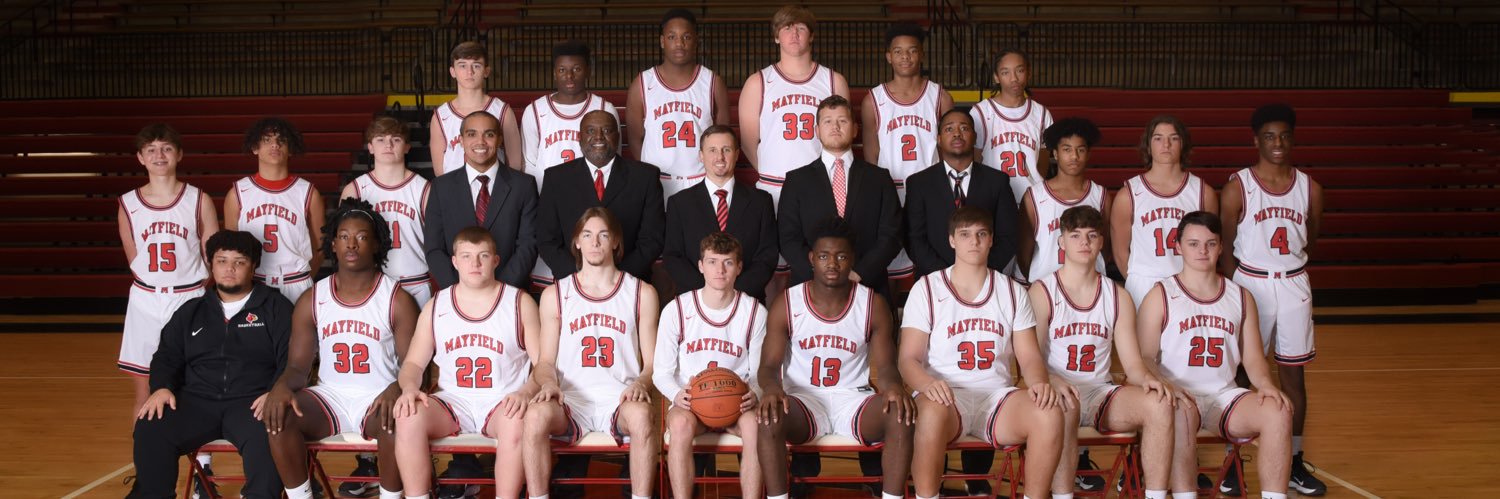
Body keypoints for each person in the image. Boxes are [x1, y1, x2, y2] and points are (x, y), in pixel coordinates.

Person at [258, 199, 420, 499]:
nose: (352, 245)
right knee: (279, 416)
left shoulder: (396, 299)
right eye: (344, 237)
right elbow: (297, 368)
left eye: (361, 237)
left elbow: (414, 365)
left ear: (376, 245)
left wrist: (399, 388)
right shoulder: (313, 298)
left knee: (395, 420)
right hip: (330, 395)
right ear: (333, 245)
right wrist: (281, 387)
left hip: (378, 395)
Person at [898, 206, 1064, 499]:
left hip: (997, 396)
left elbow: (1029, 357)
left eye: (981, 234)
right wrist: (927, 385)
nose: (973, 241)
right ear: (951, 240)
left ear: (991, 240)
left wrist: (1039, 382)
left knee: (1049, 413)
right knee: (932, 413)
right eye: (965, 235)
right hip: (946, 396)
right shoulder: (927, 288)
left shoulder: (1012, 291)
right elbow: (908, 360)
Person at [1137, 211, 1294, 499]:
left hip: (1224, 395)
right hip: (1180, 395)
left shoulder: (1240, 296)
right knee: (1181, 413)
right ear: (1178, 246)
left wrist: (1266, 385)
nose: (1202, 251)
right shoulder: (1160, 294)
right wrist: (1167, 386)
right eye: (1194, 243)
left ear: (1221, 247)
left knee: (1278, 412)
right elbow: (1145, 357)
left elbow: (1254, 358)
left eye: (1210, 243)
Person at [129, 230, 292, 499]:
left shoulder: (276, 308)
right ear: (211, 265)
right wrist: (161, 387)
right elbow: (167, 355)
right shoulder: (191, 311)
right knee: (151, 425)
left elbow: (292, 359)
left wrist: (276, 391)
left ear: (254, 266)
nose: (229, 269)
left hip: (252, 402)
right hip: (196, 401)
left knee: (272, 432)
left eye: (239, 262)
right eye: (222, 261)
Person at [756, 220, 913, 499]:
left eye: (841, 256)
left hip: (853, 399)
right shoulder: (787, 303)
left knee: (900, 413)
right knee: (770, 416)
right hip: (804, 400)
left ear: (852, 259)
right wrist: (770, 389)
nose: (832, 264)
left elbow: (887, 366)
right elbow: (768, 366)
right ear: (812, 259)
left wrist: (892, 388)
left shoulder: (872, 304)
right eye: (824, 256)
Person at [1029, 206, 1175, 498]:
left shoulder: (1117, 295)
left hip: (1100, 394)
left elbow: (1133, 364)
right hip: (1058, 392)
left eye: (1091, 236)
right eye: (1076, 235)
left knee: (1159, 404)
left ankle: (1155, 495)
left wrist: (1148, 380)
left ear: (1100, 242)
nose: (1084, 242)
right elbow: (1031, 360)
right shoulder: (1042, 292)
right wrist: (1052, 381)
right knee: (1065, 403)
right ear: (1061, 242)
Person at [1218, 104, 1326, 496]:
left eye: (1284, 135)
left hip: (1294, 283)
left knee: (1293, 375)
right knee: (1245, 375)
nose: (1277, 143)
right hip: (1252, 283)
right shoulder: (1238, 186)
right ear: (1256, 140)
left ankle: (1295, 460)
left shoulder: (1310, 187)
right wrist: (1236, 292)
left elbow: (1310, 238)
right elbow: (1225, 245)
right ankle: (1234, 462)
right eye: (1269, 136)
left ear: (1293, 138)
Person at [521, 208, 662, 499]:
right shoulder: (555, 295)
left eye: (603, 235)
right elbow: (545, 362)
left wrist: (641, 383)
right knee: (534, 416)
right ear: (576, 243)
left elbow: (652, 364)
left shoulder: (641, 293)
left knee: (643, 417)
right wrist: (549, 384)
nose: (594, 242)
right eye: (587, 235)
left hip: (619, 397)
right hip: (571, 399)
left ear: (615, 242)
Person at [393, 227, 541, 499]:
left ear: (496, 260)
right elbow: (413, 363)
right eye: (467, 256)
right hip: (453, 401)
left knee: (517, 418)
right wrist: (410, 388)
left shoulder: (519, 302)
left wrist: (525, 392)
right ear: (454, 261)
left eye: (483, 256)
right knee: (407, 415)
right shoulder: (437, 305)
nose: (475, 263)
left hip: (502, 400)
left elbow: (543, 365)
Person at [653, 232, 766, 499]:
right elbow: (661, 373)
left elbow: (763, 372)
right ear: (700, 265)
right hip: (692, 404)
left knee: (756, 427)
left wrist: (756, 394)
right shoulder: (677, 310)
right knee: (679, 425)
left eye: (728, 262)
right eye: (713, 261)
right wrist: (677, 395)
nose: (720, 269)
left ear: (739, 267)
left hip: (738, 403)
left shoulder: (754, 312)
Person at [116, 124, 218, 411]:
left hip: (189, 296)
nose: (159, 155)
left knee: (196, 382)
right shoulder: (128, 203)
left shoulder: (199, 199)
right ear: (140, 157)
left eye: (167, 148)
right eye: (151, 150)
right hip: (146, 299)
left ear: (179, 154)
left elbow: (212, 257)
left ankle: (204, 458)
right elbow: (134, 257)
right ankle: (145, 455)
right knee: (145, 388)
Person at [777, 95, 901, 296]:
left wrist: (859, 273)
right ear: (817, 131)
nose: (835, 127)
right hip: (810, 289)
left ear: (854, 129)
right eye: (828, 121)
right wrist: (819, 274)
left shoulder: (879, 178)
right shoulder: (796, 180)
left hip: (867, 286)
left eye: (842, 121)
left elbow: (892, 234)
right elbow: (788, 238)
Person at [738, 4, 850, 206]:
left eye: (801, 28)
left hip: (821, 186)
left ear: (812, 36)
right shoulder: (758, 82)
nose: (794, 34)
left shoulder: (834, 81)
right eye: (787, 28)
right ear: (776, 37)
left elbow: (842, 136)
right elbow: (748, 143)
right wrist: (771, 170)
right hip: (773, 186)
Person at [536, 111, 665, 283]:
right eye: (590, 131)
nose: (598, 137)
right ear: (580, 138)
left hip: (630, 282)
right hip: (572, 283)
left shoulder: (645, 177)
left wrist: (617, 278)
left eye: (606, 130)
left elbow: (652, 240)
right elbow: (546, 240)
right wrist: (580, 277)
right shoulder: (556, 178)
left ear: (617, 137)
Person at [423, 111, 539, 291]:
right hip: (457, 295)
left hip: (509, 293)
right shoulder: (441, 187)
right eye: (471, 134)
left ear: (500, 140)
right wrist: (459, 291)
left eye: (489, 134)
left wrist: (500, 291)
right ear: (461, 140)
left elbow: (528, 245)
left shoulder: (523, 185)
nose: (481, 141)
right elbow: (434, 248)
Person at [1110, 115, 1218, 306]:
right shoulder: (1129, 194)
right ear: (1148, 145)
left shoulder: (1203, 192)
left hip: (1189, 282)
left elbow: (1212, 244)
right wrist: (1139, 279)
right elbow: (1119, 251)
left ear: (1183, 144)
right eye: (1158, 138)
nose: (1166, 144)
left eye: (1174, 138)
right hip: (1143, 283)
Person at [626, 8, 733, 199]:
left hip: (700, 178)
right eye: (672, 37)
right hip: (658, 180)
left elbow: (722, 137)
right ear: (662, 41)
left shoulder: (712, 82)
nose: (679, 43)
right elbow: (635, 138)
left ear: (696, 41)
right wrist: (647, 172)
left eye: (686, 37)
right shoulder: (643, 83)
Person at [662, 125, 778, 301]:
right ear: (701, 156)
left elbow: (767, 257)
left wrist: (734, 295)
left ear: (737, 154)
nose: (720, 157)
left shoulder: (761, 201)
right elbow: (673, 257)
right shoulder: (679, 203)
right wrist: (708, 295)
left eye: (726, 150)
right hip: (694, 302)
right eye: (712, 150)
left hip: (746, 301)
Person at [904, 108, 1019, 278]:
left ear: (975, 137)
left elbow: (1009, 236)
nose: (957, 134)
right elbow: (913, 238)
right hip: (934, 281)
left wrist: (979, 273)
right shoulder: (919, 183)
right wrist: (945, 277)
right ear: (939, 139)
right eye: (949, 129)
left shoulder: (997, 181)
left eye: (964, 128)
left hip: (984, 279)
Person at [223, 117, 326, 303]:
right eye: (267, 140)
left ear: (290, 149)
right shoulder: (238, 193)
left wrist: (302, 276)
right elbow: (232, 249)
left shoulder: (308, 192)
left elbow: (320, 247)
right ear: (255, 148)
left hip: (297, 282)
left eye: (281, 140)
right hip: (255, 283)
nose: (275, 145)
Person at [344, 116, 434, 305]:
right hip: (371, 282)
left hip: (415, 282)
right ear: (370, 147)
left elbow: (437, 241)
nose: (388, 145)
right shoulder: (355, 190)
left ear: (407, 146)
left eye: (396, 139)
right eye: (380, 139)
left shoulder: (423, 189)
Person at [1019, 117, 1108, 283]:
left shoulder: (1100, 195)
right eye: (1067, 149)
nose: (1074, 156)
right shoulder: (1035, 196)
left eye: (1080, 150)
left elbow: (1106, 248)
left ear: (1088, 154)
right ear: (1055, 153)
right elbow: (1024, 253)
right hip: (1046, 287)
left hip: (1089, 287)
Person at [522, 40, 619, 186]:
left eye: (577, 69)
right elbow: (530, 164)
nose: (569, 76)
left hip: (592, 195)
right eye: (562, 70)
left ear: (588, 71)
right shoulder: (535, 111)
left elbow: (613, 158)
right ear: (554, 73)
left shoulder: (604, 108)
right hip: (549, 194)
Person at [971, 49, 1053, 204]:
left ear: (1028, 73)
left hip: (1032, 199)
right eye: (1005, 72)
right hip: (994, 198)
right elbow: (976, 159)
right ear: (996, 77)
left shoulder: (1041, 113)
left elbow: (1043, 160)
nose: (1014, 78)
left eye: (1020, 71)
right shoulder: (980, 112)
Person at [430, 41, 523, 175]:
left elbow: (514, 164)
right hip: (455, 192)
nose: (470, 72)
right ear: (452, 71)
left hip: (495, 189)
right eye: (462, 66)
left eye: (476, 65)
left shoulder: (502, 110)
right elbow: (439, 171)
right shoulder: (440, 116)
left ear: (486, 71)